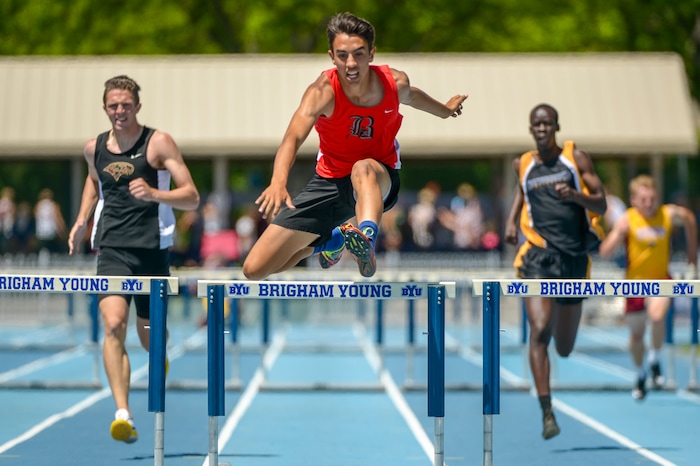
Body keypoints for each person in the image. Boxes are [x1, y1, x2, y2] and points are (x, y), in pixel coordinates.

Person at [242, 12, 467, 280]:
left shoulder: (393, 83)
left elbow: (413, 97)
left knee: (362, 168)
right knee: (254, 270)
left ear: (372, 54)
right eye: (343, 55)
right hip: (329, 184)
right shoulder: (321, 92)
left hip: (377, 177)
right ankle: (331, 242)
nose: (351, 63)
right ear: (331, 56)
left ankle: (367, 240)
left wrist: (444, 110)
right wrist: (278, 181)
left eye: (359, 54)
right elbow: (292, 138)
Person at [67, 75, 200, 444]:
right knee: (112, 325)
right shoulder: (93, 148)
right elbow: (94, 182)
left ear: (137, 106)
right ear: (105, 108)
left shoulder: (158, 143)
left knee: (149, 338)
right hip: (111, 248)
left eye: (126, 105)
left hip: (151, 250)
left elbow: (191, 196)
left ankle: (159, 352)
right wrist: (81, 220)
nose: (120, 111)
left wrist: (156, 193)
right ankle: (122, 413)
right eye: (113, 105)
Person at [504, 103, 607, 440]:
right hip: (537, 257)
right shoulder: (524, 163)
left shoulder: (576, 158)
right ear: (531, 129)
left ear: (556, 126)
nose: (542, 128)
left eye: (547, 123)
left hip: (573, 259)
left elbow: (601, 203)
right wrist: (510, 222)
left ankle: (550, 391)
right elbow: (522, 193)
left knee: (563, 346)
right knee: (540, 328)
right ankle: (547, 411)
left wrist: (576, 196)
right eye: (536, 124)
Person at [598, 174, 697, 400]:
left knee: (657, 315)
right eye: (643, 199)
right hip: (634, 285)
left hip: (661, 280)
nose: (649, 203)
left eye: (652, 198)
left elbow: (690, 218)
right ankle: (641, 372)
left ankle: (654, 358)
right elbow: (604, 252)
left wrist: (692, 253)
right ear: (633, 200)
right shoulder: (627, 219)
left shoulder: (668, 214)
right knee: (636, 337)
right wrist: (617, 233)